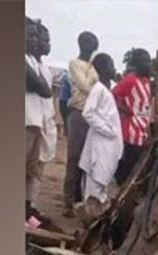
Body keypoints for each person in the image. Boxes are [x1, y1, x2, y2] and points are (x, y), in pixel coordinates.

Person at [78, 53, 123, 218]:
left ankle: (96, 216)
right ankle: (90, 217)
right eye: (111, 65)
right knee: (95, 183)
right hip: (101, 143)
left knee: (102, 182)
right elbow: (87, 113)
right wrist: (108, 130)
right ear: (103, 68)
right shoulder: (98, 89)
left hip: (107, 145)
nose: (114, 69)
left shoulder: (105, 89)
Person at [63, 31, 99, 216]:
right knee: (74, 158)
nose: (92, 46)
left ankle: (80, 200)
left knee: (86, 160)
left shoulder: (92, 67)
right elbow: (85, 86)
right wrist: (95, 83)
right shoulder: (74, 64)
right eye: (89, 43)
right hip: (78, 113)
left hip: (91, 116)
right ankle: (69, 201)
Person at [25, 19, 57, 222]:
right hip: (27, 121)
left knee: (33, 170)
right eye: (32, 36)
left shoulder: (36, 64)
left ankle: (28, 209)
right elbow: (44, 90)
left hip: (38, 123)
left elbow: (44, 91)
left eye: (39, 37)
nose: (37, 41)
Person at [112, 48, 152, 185]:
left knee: (137, 164)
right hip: (130, 132)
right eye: (145, 62)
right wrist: (123, 109)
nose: (149, 65)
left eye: (149, 61)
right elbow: (112, 95)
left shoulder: (146, 81)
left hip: (142, 131)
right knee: (128, 163)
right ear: (137, 65)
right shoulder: (130, 80)